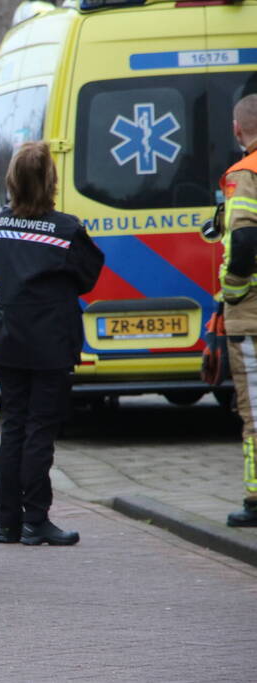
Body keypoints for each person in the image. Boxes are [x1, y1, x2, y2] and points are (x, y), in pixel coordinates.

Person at [0, 141, 103, 546]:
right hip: (50, 342)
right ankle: (36, 519)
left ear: (12, 181)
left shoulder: (0, 225)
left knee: (13, 427)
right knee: (40, 429)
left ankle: (7, 523)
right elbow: (89, 276)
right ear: (50, 181)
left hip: (7, 339)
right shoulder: (67, 230)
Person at [218, 93, 257, 527]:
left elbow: (244, 239)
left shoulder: (246, 173)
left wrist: (233, 291)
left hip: (251, 317)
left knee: (255, 411)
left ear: (237, 129)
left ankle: (255, 499)